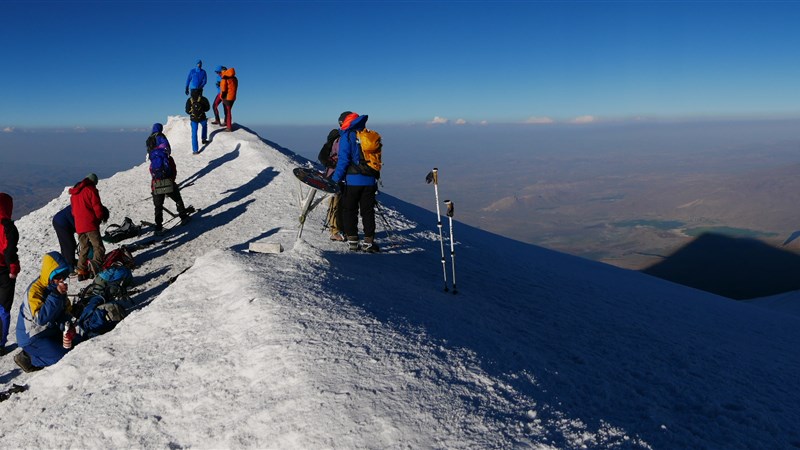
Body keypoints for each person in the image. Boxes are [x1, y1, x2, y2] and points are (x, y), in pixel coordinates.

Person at [15, 251, 73, 372]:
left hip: (50, 331)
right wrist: (57, 295)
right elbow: (41, 318)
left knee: (75, 347)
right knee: (62, 358)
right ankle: (29, 358)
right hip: (33, 336)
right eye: (57, 276)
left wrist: (67, 325)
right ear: (49, 274)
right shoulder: (34, 291)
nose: (61, 279)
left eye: (64, 275)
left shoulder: (56, 288)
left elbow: (64, 309)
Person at [331, 111, 380, 253]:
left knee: (349, 210)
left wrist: (335, 179)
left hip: (352, 181)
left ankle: (353, 241)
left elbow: (344, 161)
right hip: (370, 180)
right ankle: (369, 243)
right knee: (368, 212)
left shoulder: (347, 136)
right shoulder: (367, 135)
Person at [69, 173, 108, 280]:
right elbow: (97, 207)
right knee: (98, 247)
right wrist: (99, 218)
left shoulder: (74, 193)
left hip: (79, 225)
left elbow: (73, 211)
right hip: (90, 224)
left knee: (84, 248)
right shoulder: (91, 190)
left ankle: (81, 271)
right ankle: (95, 269)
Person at [148, 135, 189, 234]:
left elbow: (151, 171)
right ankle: (183, 217)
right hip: (169, 182)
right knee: (177, 198)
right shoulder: (168, 157)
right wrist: (171, 181)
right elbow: (174, 171)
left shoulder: (153, 158)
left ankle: (158, 228)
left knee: (158, 206)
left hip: (156, 184)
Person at [0, 193, 20, 356]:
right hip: (3, 271)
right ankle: (0, 344)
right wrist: (13, 269)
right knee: (3, 309)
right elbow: (9, 251)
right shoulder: (7, 226)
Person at [318, 127, 344, 241]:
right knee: (337, 203)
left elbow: (323, 157)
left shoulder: (334, 140)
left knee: (335, 203)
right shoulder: (340, 140)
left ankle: (336, 229)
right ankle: (335, 231)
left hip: (331, 174)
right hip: (336, 174)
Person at [185, 89, 211, 154]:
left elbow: (187, 111)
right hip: (202, 117)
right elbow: (208, 108)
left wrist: (192, 112)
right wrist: (202, 110)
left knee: (194, 134)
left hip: (194, 119)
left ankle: (195, 150)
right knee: (204, 126)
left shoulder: (189, 100)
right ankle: (204, 139)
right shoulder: (203, 99)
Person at [52, 205, 77, 271]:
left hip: (60, 220)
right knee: (69, 245)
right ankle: (70, 268)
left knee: (67, 245)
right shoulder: (82, 208)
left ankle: (68, 263)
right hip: (62, 223)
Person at [219, 67, 238, 132]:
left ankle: (229, 127)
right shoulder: (235, 78)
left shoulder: (224, 78)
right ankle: (226, 123)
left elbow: (224, 89)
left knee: (228, 112)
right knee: (228, 111)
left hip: (227, 97)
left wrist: (222, 96)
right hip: (233, 97)